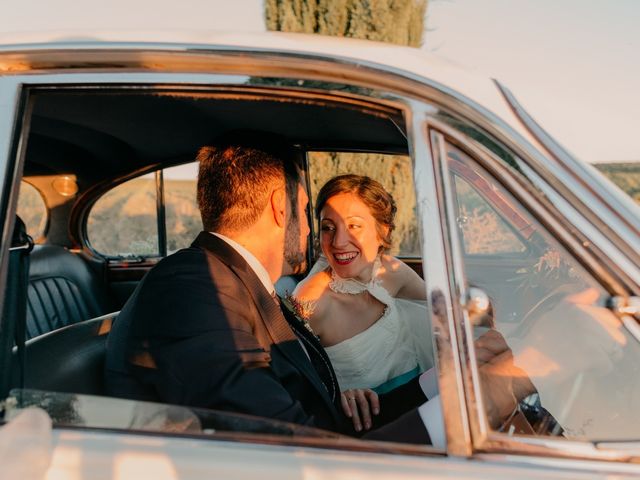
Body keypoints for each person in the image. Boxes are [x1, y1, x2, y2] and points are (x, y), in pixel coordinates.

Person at [104, 132, 523, 445]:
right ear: (279, 207)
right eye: (309, 214)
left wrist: (445, 384)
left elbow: (315, 417)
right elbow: (291, 449)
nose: (311, 231)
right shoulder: (195, 287)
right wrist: (473, 406)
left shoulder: (239, 284)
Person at [290, 175, 433, 395]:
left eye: (354, 225)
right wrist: (339, 398)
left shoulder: (392, 272)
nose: (338, 242)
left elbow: (443, 312)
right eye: (328, 227)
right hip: (371, 420)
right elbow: (294, 382)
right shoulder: (311, 302)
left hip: (421, 392)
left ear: (382, 231)